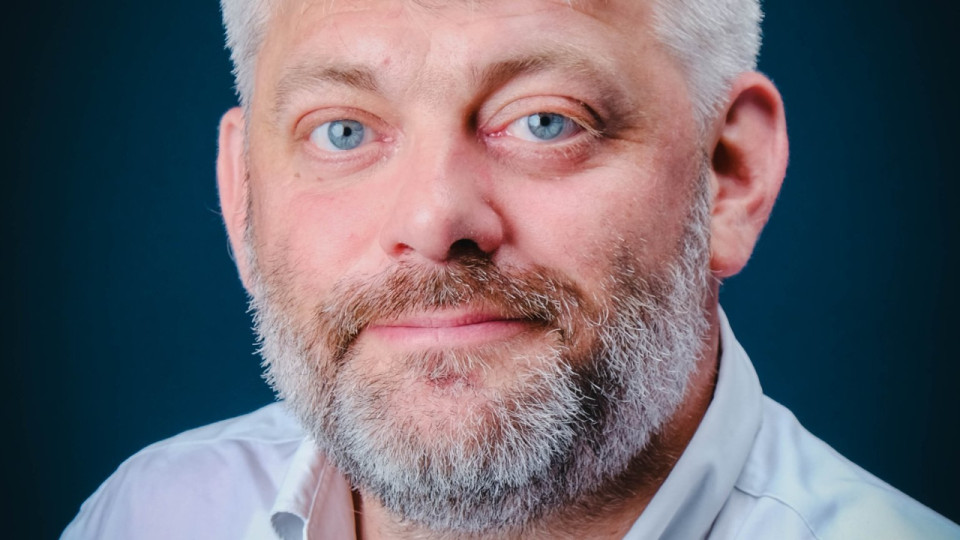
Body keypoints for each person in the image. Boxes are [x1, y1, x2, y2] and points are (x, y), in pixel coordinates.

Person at [62, 0, 959, 538]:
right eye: (343, 130)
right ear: (242, 196)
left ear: (728, 177)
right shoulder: (151, 515)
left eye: (545, 121)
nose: (433, 218)